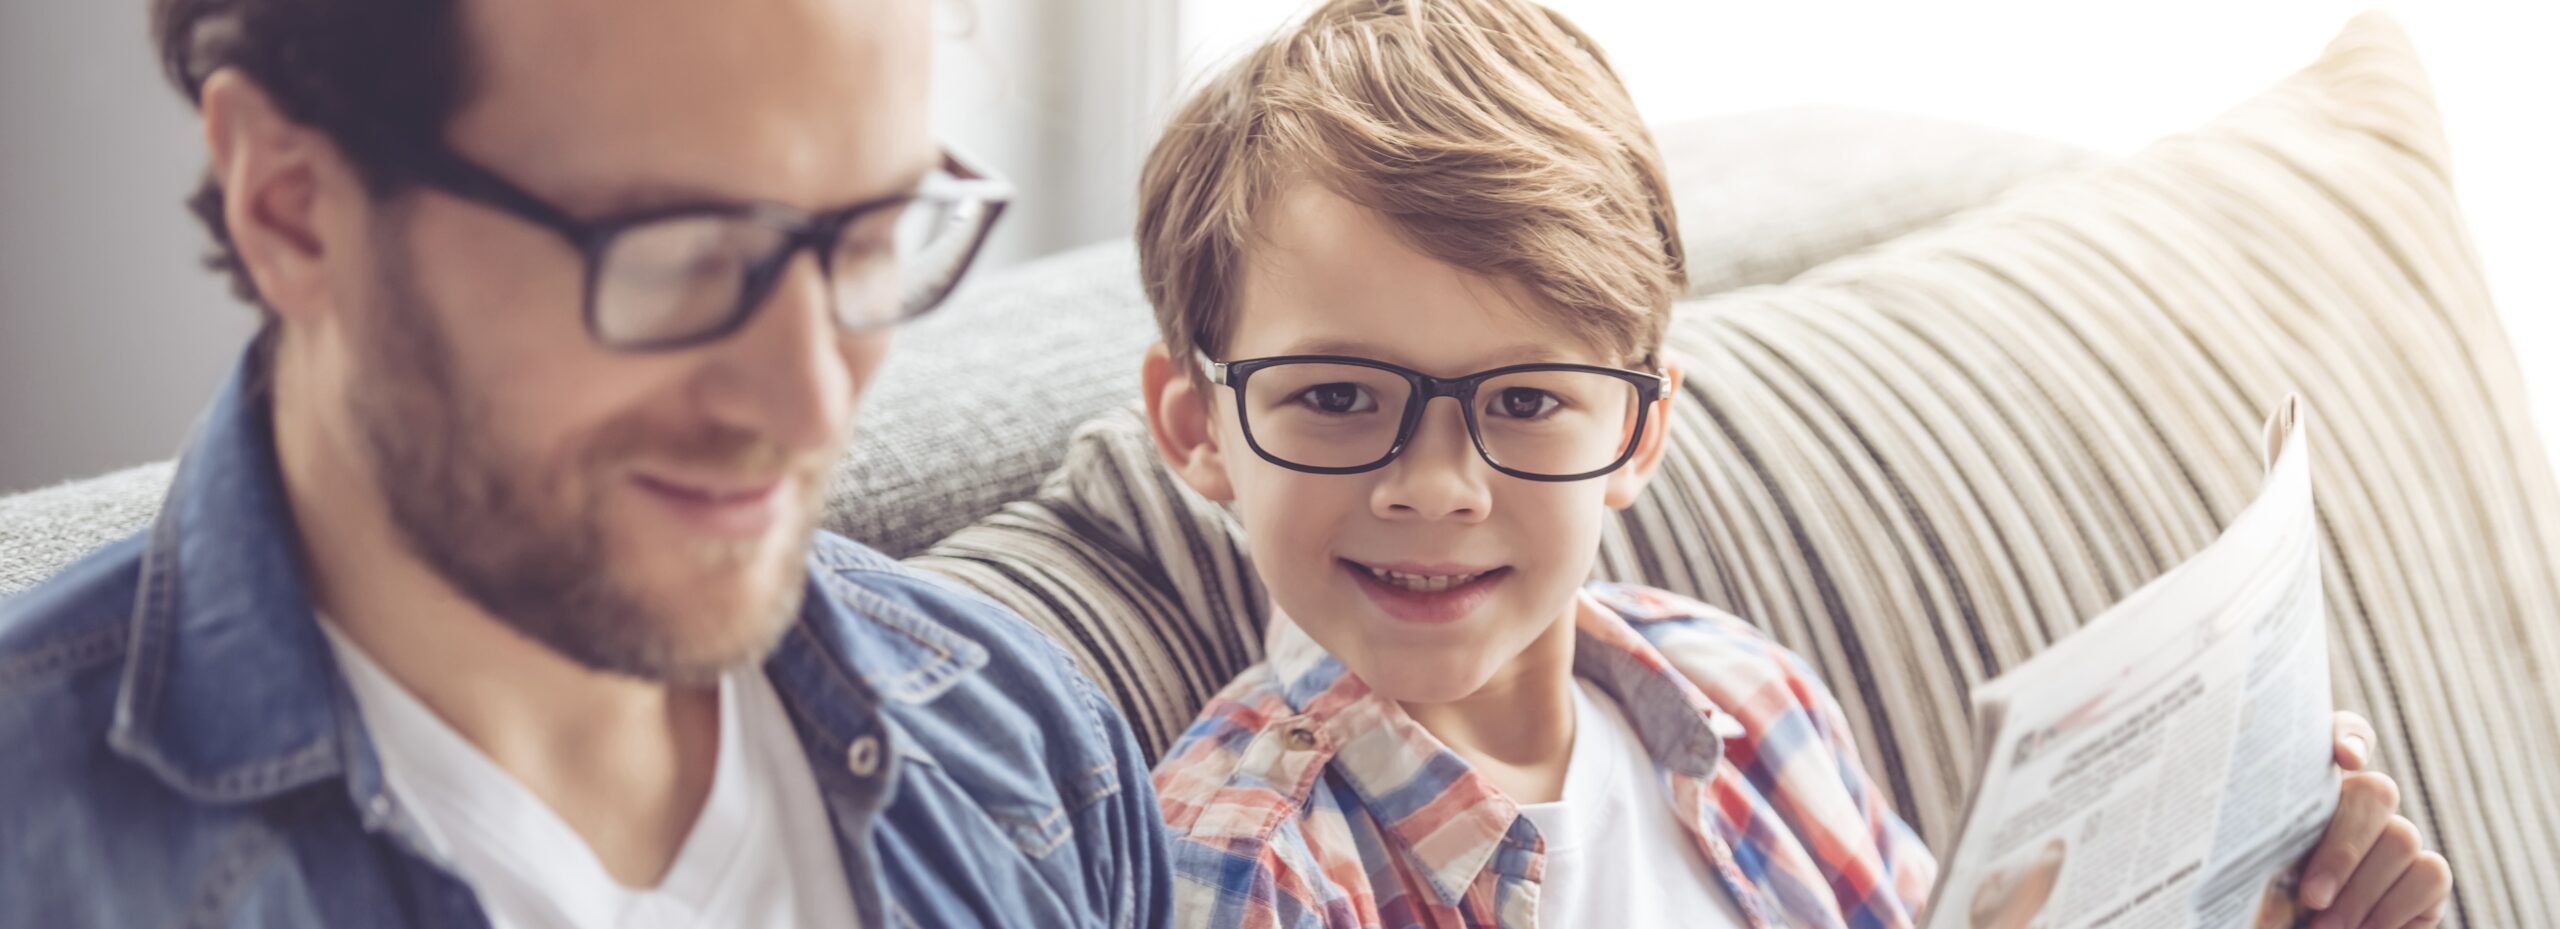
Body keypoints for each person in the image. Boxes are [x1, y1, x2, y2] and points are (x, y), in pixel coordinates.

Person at [1128, 1, 2451, 927]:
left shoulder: (1739, 699)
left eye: (1528, 398)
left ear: (1637, 434)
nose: (1436, 484)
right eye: (1340, 395)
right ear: (1197, 428)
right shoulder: (1242, 873)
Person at [0, 1, 1171, 926]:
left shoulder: (1030, 745)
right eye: (675, 254)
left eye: (865, 241)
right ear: (295, 209)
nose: (810, 401)